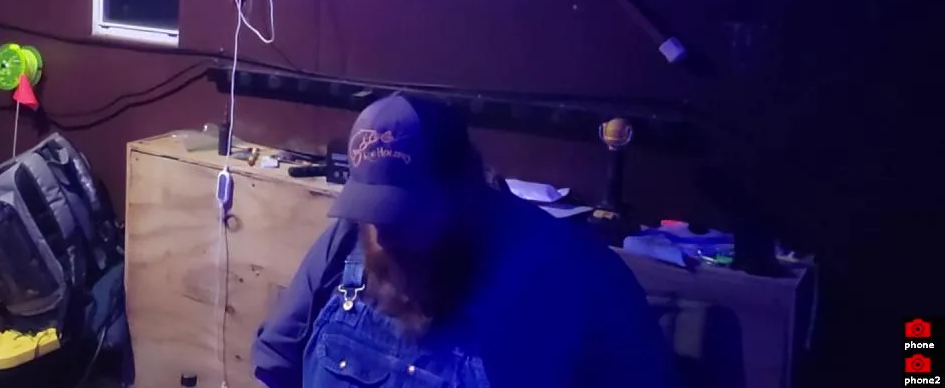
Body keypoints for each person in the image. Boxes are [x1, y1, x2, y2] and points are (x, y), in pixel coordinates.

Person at [251, 94, 677, 387]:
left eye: (406, 214)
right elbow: (277, 364)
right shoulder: (350, 238)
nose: (385, 238)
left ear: (466, 192)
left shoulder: (580, 279)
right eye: (374, 214)